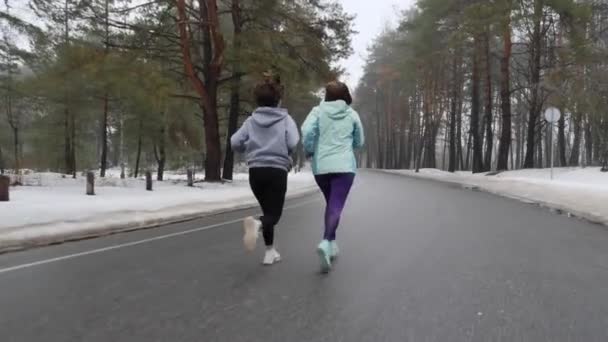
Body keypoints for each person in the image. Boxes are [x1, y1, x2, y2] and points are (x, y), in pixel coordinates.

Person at [230, 78, 300, 265]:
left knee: (267, 211)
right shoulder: (285, 119)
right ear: (279, 100)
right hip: (276, 171)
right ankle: (258, 223)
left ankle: (270, 252)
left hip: (256, 173)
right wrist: (283, 149)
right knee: (272, 215)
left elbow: (235, 142)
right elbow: (293, 141)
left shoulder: (251, 121)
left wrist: (250, 149)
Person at [301, 81, 365, 273]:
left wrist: (310, 150)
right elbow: (360, 141)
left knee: (331, 204)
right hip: (344, 167)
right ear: (345, 96)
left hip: (321, 167)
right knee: (335, 206)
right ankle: (327, 241)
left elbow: (306, 131)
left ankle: (331, 243)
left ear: (326, 96)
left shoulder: (317, 112)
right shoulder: (352, 114)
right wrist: (349, 143)